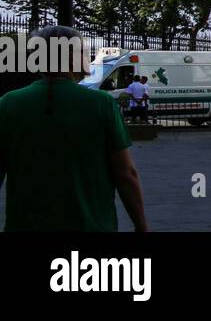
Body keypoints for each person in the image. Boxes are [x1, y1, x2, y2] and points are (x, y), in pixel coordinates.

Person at [0, 25, 148, 232]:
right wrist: (141, 226)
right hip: (90, 225)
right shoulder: (101, 103)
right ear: (72, 58)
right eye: (84, 52)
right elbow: (125, 174)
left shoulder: (8, 103)